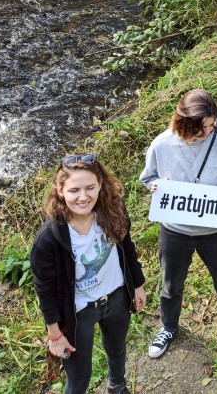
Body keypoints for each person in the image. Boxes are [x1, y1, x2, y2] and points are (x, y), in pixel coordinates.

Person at [140, 90, 217, 358]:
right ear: (185, 122)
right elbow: (148, 176)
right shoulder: (162, 144)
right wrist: (154, 185)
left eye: (212, 125)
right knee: (170, 283)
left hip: (216, 232)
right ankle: (168, 326)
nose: (209, 131)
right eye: (202, 127)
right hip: (175, 230)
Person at [31, 154, 147, 394]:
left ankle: (117, 385)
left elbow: (128, 249)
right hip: (78, 313)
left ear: (100, 185)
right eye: (74, 190)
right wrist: (54, 334)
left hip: (117, 298)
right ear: (60, 191)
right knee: (79, 376)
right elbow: (45, 289)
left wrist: (137, 285)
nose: (83, 197)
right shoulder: (49, 239)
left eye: (90, 188)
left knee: (117, 349)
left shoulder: (113, 211)